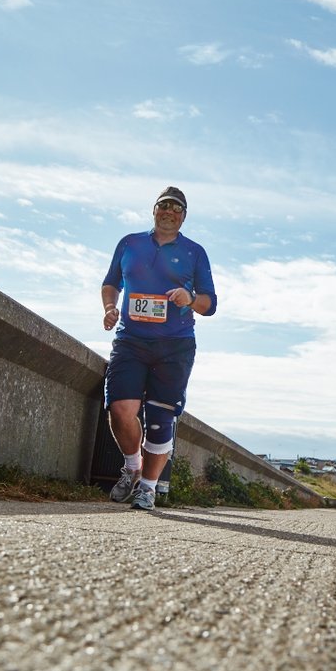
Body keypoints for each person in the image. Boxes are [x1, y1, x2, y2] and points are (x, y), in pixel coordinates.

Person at [100, 186, 217, 511]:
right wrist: (109, 307)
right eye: (164, 205)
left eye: (176, 208)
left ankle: (148, 488)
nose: (169, 212)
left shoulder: (195, 252)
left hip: (174, 345)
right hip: (130, 340)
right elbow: (111, 283)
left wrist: (190, 298)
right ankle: (132, 467)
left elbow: (210, 304)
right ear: (154, 210)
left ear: (184, 216)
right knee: (120, 409)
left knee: (160, 418)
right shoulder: (129, 243)